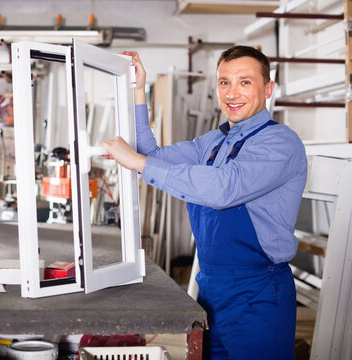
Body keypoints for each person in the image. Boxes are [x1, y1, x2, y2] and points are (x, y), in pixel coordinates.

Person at [101, 46, 307, 359]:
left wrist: (136, 162)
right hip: (211, 289)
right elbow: (153, 158)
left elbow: (224, 189)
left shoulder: (280, 142)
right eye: (224, 82)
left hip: (257, 295)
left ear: (268, 88)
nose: (232, 92)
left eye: (245, 82)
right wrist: (138, 90)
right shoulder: (214, 141)